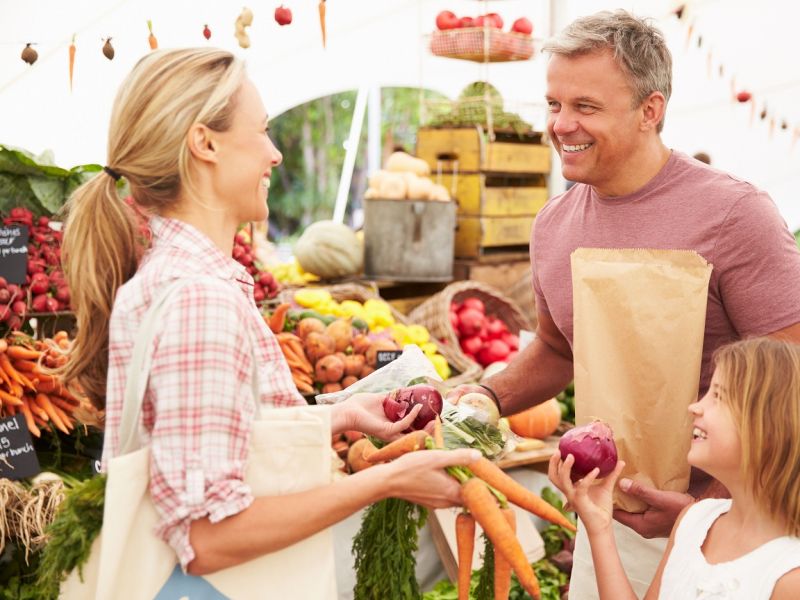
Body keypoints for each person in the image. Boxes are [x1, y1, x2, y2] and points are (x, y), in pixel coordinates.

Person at [59, 47, 479, 579]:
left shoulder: (182, 280)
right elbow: (205, 537)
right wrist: (385, 481)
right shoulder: (198, 301)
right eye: (260, 131)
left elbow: (235, 434)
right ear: (204, 143)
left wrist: (345, 413)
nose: (275, 154)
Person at [447, 9, 800, 597]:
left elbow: (794, 376)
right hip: (607, 520)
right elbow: (557, 350)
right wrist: (487, 397)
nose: (561, 125)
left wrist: (699, 508)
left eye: (585, 107)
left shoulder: (735, 215)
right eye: (554, 104)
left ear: (650, 110)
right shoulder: (553, 226)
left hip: (740, 531)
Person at [548, 337, 800, 599]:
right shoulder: (695, 520)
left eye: (718, 397)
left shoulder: (790, 575)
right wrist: (598, 525)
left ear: (769, 430)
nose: (695, 407)